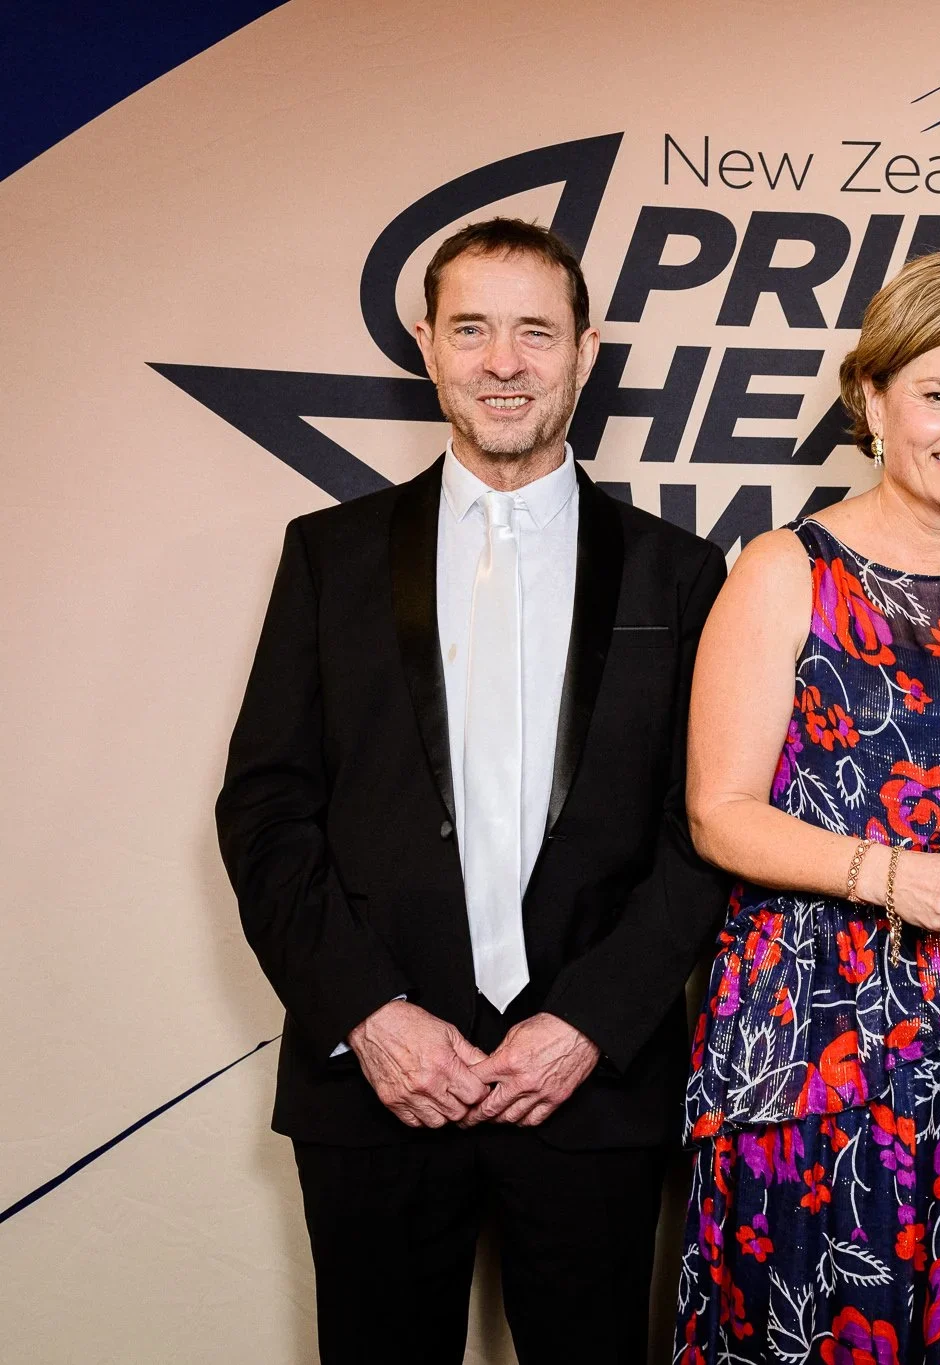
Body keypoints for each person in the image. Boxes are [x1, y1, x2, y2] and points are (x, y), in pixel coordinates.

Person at [216, 218, 729, 1364]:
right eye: (474, 330)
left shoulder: (679, 571)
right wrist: (372, 1016)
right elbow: (265, 812)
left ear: (585, 351)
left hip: (590, 1085)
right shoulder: (327, 556)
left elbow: (702, 831)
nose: (504, 362)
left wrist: (587, 1024)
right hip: (377, 1080)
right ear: (428, 346)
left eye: (535, 332)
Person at [673, 251, 940, 1363]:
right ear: (871, 400)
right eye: (938, 393)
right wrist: (888, 875)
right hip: (816, 1046)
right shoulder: (783, 570)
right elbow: (717, 812)